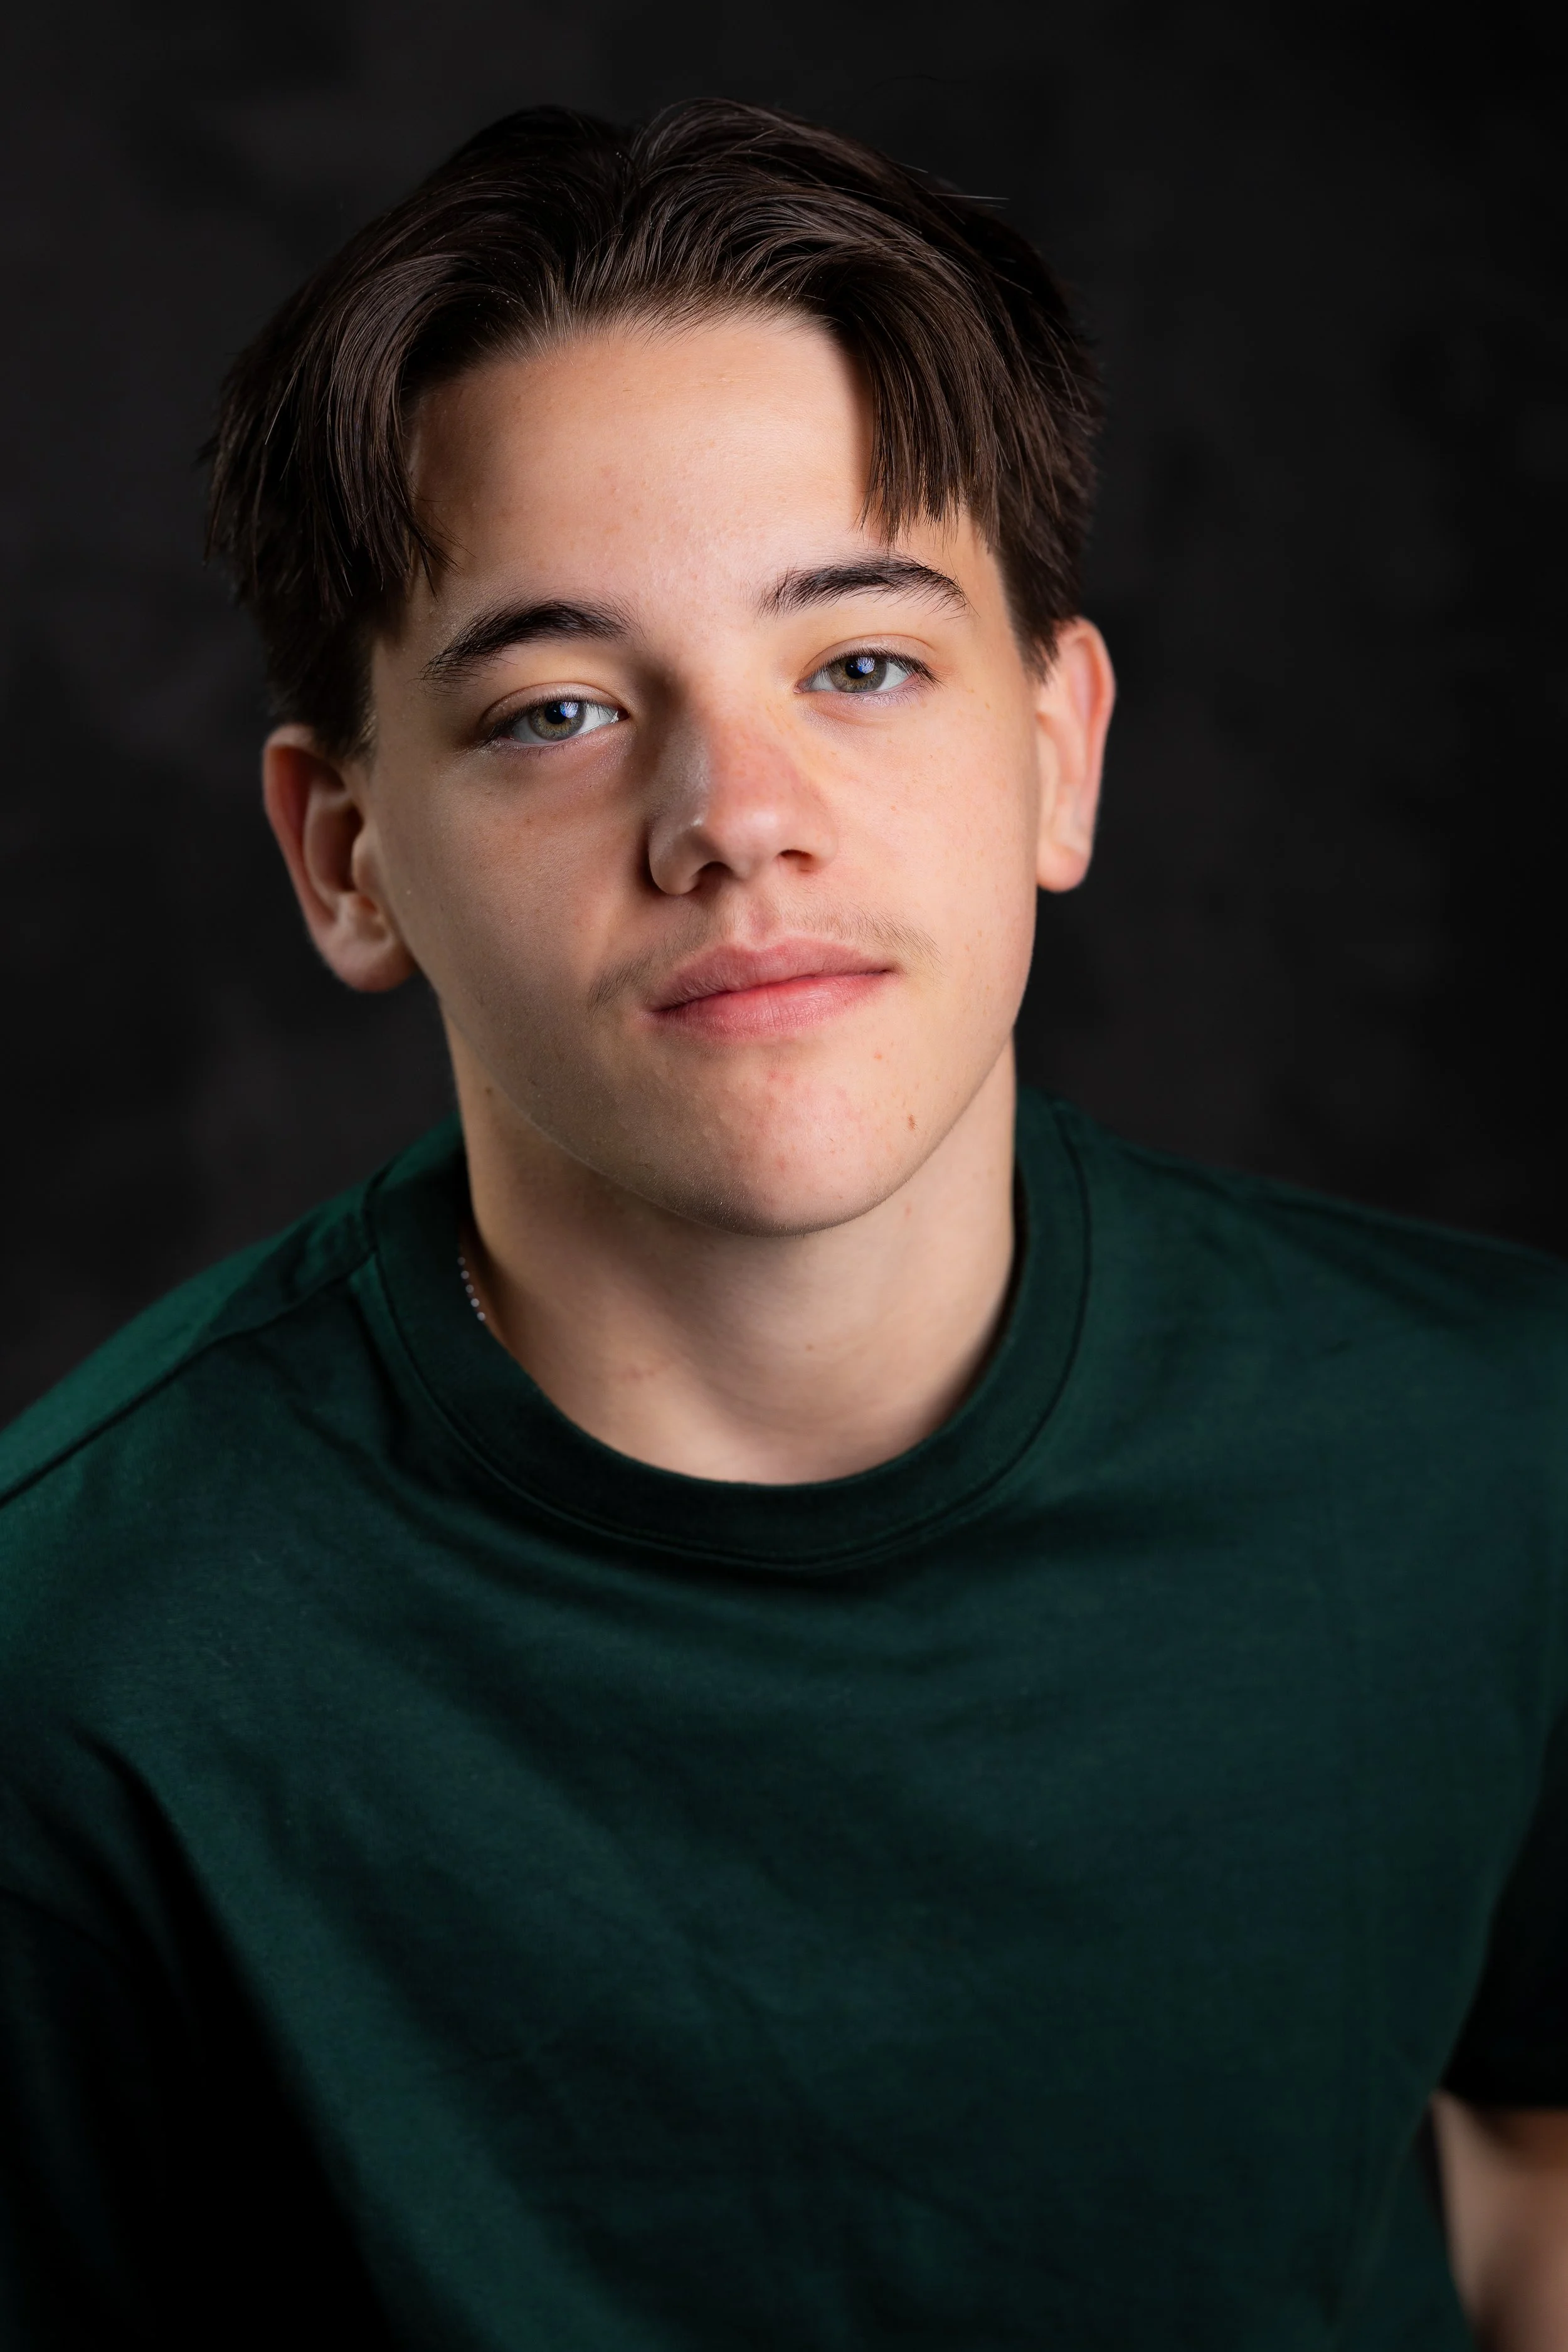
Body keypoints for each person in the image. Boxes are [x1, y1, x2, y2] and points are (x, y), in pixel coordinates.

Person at [0, 97, 1564, 2351]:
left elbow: (1524, 2192)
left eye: (856, 664)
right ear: (346, 856)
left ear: (1059, 750)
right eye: (555, 708)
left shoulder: (1493, 1450)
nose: (734, 816)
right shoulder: (85, 1675)